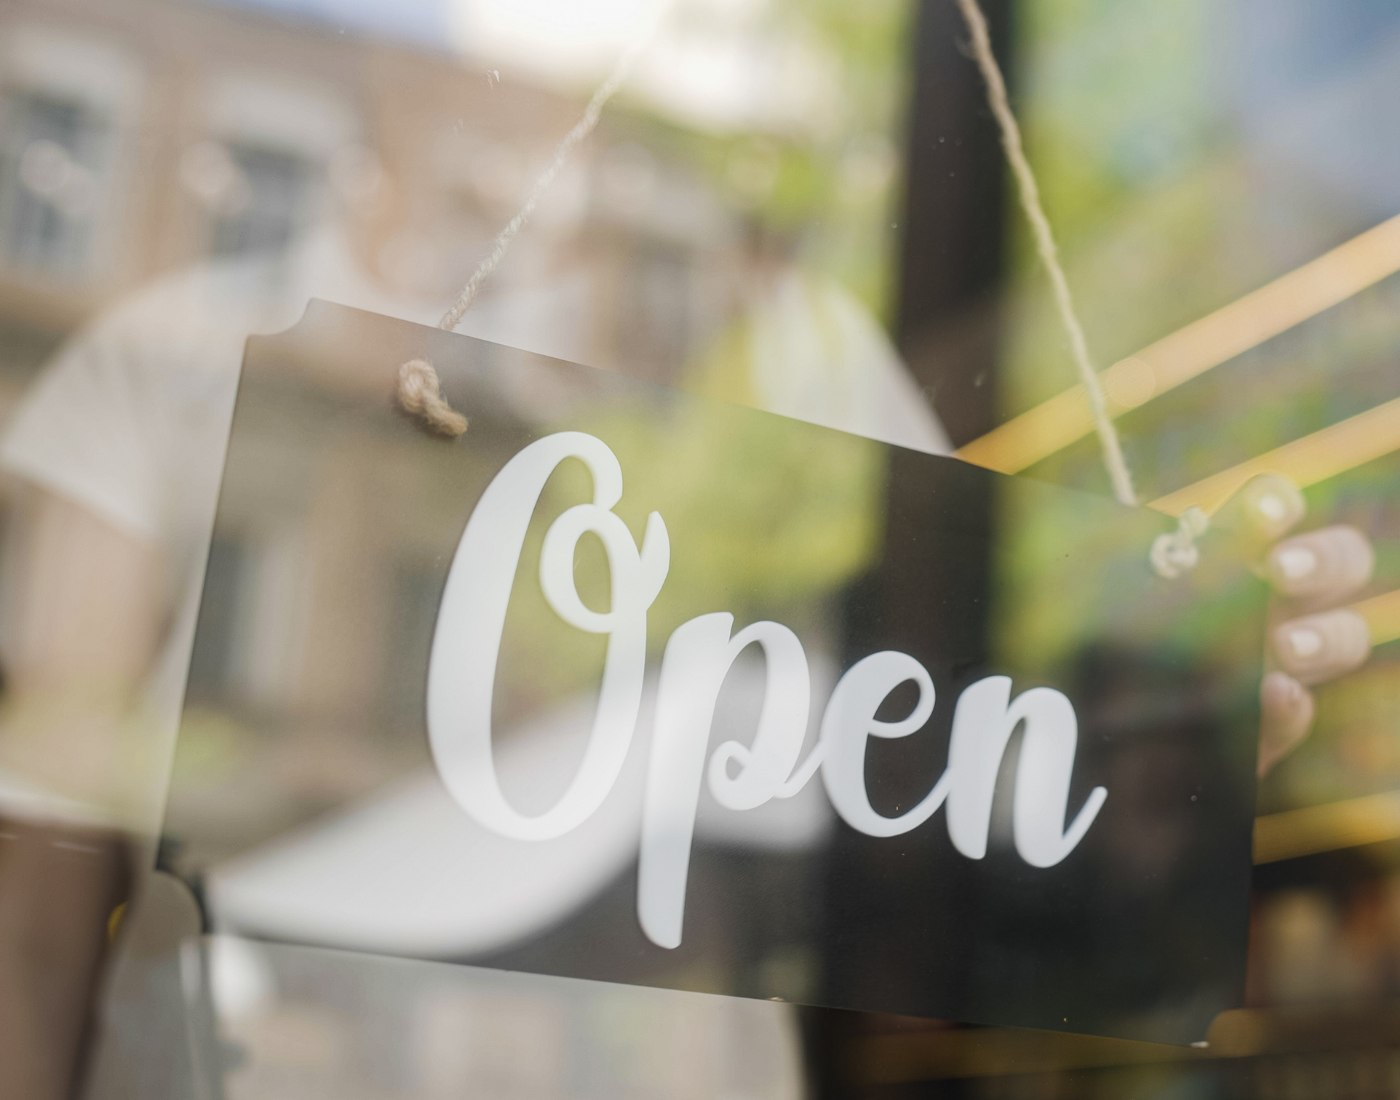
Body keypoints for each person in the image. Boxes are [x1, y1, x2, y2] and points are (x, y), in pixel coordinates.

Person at [0, 141, 1375, 1097]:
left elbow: (930, 849)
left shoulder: (808, 358)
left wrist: (1153, 797)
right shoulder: (187, 347)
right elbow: (37, 883)